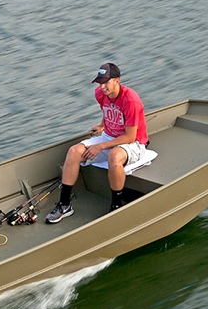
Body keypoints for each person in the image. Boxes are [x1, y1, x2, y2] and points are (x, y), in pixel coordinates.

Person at [45, 63, 148, 223]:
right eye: (100, 82)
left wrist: (99, 146)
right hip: (108, 136)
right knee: (74, 152)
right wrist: (102, 125)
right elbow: (108, 109)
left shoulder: (131, 100)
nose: (103, 86)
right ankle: (65, 205)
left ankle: (116, 205)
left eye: (106, 82)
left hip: (134, 143)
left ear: (117, 80)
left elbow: (129, 137)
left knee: (114, 156)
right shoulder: (100, 93)